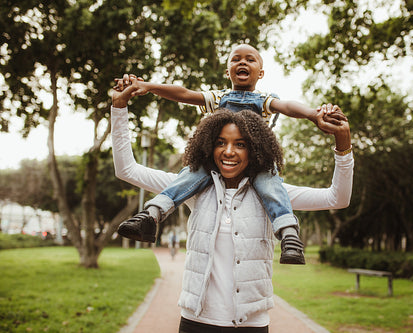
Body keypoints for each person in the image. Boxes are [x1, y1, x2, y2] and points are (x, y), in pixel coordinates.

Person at [111, 86, 353, 332]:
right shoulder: (192, 189)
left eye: (240, 144)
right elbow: (126, 170)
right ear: (208, 147)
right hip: (196, 322)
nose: (229, 151)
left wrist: (343, 143)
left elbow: (337, 198)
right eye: (220, 143)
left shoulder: (274, 195)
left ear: (255, 149)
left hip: (251, 324)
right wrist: (119, 108)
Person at [114, 43, 348, 265]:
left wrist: (312, 114)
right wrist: (149, 87)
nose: (242, 62)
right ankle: (151, 215)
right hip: (208, 168)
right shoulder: (218, 97)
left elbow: (286, 106)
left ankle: (288, 235)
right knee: (188, 176)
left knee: (272, 188)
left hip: (260, 165)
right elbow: (184, 94)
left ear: (261, 73)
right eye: (235, 59)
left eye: (250, 59)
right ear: (228, 71)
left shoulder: (264, 100)